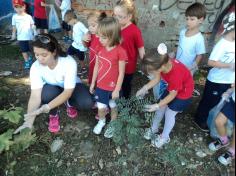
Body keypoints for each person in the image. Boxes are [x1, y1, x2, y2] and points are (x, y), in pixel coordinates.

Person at [14, 34, 93, 134]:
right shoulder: (35, 67)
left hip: (71, 88)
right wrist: (28, 122)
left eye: (44, 55)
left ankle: (68, 102)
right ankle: (53, 113)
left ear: (54, 52)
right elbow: (35, 96)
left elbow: (68, 91)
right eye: (36, 54)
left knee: (87, 102)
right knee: (46, 94)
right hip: (53, 89)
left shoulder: (68, 62)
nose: (39, 59)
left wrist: (46, 107)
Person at [136, 43, 194, 148]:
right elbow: (157, 79)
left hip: (184, 92)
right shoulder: (162, 63)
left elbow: (172, 95)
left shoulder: (175, 74)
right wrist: (145, 88)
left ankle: (164, 137)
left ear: (161, 67)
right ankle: (154, 129)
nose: (151, 73)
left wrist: (157, 105)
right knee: (160, 109)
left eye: (152, 71)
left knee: (169, 113)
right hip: (173, 88)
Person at [194, 12, 235, 132]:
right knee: (208, 101)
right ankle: (199, 119)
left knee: (219, 102)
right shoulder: (222, 44)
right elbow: (211, 62)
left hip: (228, 80)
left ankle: (211, 120)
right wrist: (229, 65)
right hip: (216, 80)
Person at [90, 17, 128, 138]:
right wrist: (92, 83)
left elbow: (122, 72)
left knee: (113, 106)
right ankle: (101, 121)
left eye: (103, 37)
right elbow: (96, 67)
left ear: (113, 36)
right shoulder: (99, 48)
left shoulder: (120, 51)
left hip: (113, 88)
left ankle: (113, 124)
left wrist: (117, 89)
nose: (99, 40)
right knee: (101, 107)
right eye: (99, 36)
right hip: (101, 86)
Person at [114, 0, 145, 99]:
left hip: (128, 66)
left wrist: (146, 65)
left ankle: (125, 102)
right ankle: (115, 99)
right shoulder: (115, 27)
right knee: (115, 82)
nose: (116, 19)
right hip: (115, 62)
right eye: (115, 15)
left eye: (120, 16)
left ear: (129, 16)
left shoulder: (135, 31)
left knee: (126, 85)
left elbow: (141, 49)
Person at [176, 2, 206, 75]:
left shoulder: (199, 38)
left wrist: (193, 66)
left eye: (192, 19)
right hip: (177, 65)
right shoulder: (182, 32)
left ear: (200, 20)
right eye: (187, 18)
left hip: (187, 69)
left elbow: (199, 55)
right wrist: (174, 54)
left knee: (184, 85)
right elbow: (179, 46)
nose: (188, 22)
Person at [208, 85, 235, 166]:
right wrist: (230, 90)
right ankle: (224, 141)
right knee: (218, 121)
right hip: (233, 101)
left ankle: (232, 151)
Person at [83, 11, 107, 84]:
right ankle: (90, 83)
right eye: (89, 26)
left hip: (101, 65)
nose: (90, 28)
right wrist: (83, 39)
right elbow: (85, 46)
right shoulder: (91, 35)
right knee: (92, 73)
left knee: (99, 78)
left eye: (93, 26)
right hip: (92, 62)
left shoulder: (104, 39)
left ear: (102, 25)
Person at [11, 0, 35, 69]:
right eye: (16, 7)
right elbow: (14, 26)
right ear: (14, 8)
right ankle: (27, 61)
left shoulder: (28, 17)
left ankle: (30, 57)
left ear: (24, 7)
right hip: (21, 37)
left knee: (30, 50)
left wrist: (34, 29)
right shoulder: (14, 17)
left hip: (29, 37)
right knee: (24, 50)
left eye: (20, 7)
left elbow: (32, 24)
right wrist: (13, 34)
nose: (19, 9)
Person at [65, 10, 89, 75]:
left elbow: (86, 31)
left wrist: (85, 40)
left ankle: (83, 68)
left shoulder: (80, 24)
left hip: (81, 46)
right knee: (69, 53)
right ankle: (71, 64)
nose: (68, 24)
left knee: (81, 59)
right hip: (75, 44)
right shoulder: (75, 25)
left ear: (72, 19)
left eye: (68, 22)